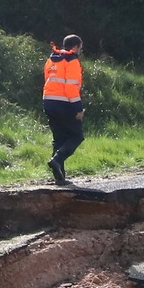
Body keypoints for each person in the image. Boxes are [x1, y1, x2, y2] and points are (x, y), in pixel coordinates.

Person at [42, 34, 85, 184]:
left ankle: (59, 178)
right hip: (64, 103)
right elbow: (71, 86)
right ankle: (57, 159)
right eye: (80, 48)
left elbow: (47, 79)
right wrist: (78, 108)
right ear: (76, 47)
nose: (80, 51)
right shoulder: (72, 60)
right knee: (77, 136)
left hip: (48, 101)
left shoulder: (51, 59)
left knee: (59, 139)